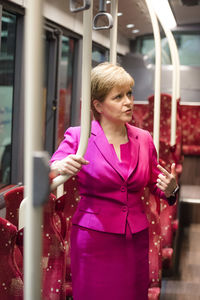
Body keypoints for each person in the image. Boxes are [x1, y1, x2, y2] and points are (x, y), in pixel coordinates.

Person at [50, 62, 178, 300]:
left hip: (134, 240)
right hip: (92, 240)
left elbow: (155, 182)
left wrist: (171, 189)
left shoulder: (144, 139)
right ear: (98, 105)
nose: (128, 102)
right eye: (118, 97)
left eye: (129, 94)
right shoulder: (79, 136)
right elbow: (52, 168)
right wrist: (58, 166)